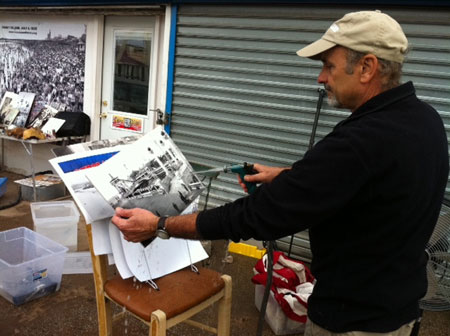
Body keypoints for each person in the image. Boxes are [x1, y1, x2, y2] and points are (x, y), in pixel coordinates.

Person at [111, 10, 449, 336]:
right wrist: (290, 175)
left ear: (367, 67)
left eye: (328, 66)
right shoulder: (425, 120)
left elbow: (257, 216)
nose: (321, 78)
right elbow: (371, 181)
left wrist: (158, 225)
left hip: (352, 321)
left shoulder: (358, 143)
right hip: (400, 311)